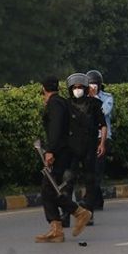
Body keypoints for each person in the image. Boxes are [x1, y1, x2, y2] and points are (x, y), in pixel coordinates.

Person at [34, 77, 93, 243]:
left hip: (60, 153)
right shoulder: (61, 102)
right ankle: (57, 228)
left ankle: (78, 213)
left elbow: (56, 128)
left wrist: (50, 151)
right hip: (64, 151)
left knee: (48, 188)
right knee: (51, 189)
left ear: (43, 90)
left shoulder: (55, 104)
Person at [64, 73, 107, 223]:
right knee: (68, 181)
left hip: (89, 146)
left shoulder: (94, 104)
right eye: (75, 87)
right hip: (72, 147)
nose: (77, 90)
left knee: (90, 179)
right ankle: (66, 214)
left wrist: (101, 143)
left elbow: (103, 125)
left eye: (80, 87)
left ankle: (89, 212)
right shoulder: (66, 105)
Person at [86, 69, 113, 212]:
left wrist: (93, 98)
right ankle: (98, 200)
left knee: (97, 170)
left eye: (94, 84)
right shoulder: (83, 99)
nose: (92, 87)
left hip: (102, 138)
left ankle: (88, 199)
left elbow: (103, 112)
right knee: (90, 170)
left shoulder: (107, 97)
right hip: (88, 137)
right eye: (90, 84)